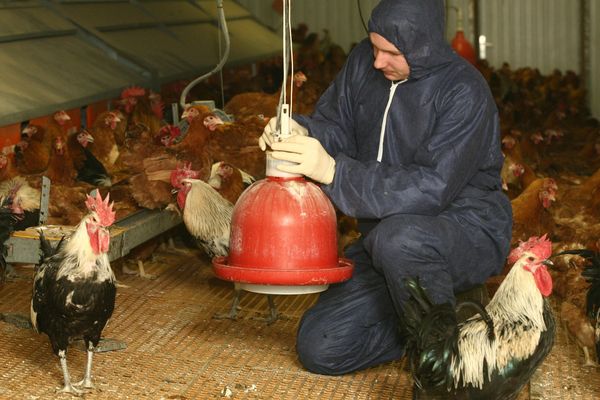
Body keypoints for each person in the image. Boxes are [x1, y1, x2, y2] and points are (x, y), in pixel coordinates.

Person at [259, 0, 512, 376]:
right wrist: (303, 130)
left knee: (401, 238)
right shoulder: (364, 62)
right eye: (374, 46)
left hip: (464, 229)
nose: (377, 62)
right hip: (384, 240)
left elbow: (432, 188)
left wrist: (333, 171)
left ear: (422, 47)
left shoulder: (464, 91)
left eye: (391, 52)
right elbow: (336, 123)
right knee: (320, 348)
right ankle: (436, 316)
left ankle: (443, 359)